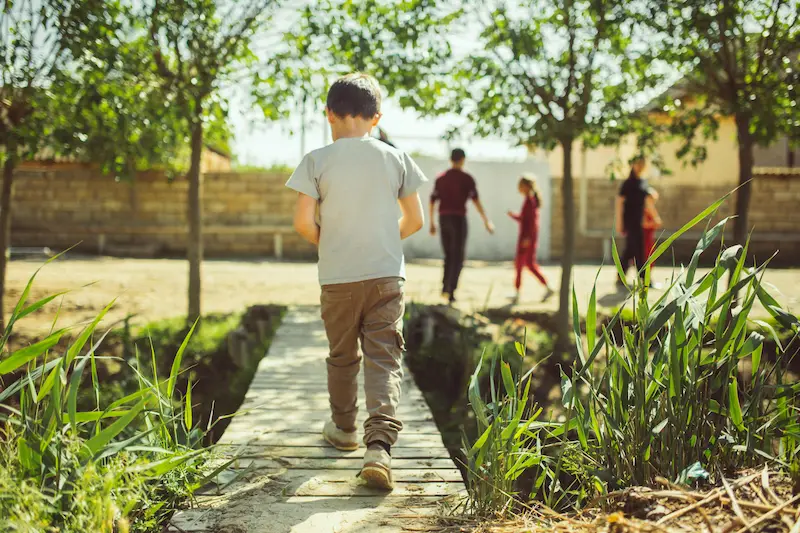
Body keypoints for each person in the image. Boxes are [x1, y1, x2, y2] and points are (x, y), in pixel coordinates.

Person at [286, 73, 427, 490]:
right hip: (386, 275)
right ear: (376, 117)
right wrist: (380, 239)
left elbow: (301, 222)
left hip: (337, 278)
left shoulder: (316, 160)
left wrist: (331, 242)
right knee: (384, 357)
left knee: (342, 354)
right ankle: (379, 447)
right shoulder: (395, 158)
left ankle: (344, 429)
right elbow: (416, 220)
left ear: (328, 113)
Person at [429, 148, 494, 304]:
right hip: (458, 220)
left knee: (448, 255)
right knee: (458, 257)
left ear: (451, 159)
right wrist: (486, 220)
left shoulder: (441, 178)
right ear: (463, 159)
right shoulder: (467, 179)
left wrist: (431, 222)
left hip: (443, 218)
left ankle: (445, 287)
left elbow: (432, 200)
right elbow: (476, 201)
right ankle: (451, 291)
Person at [507, 175, 555, 303]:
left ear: (526, 186)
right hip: (527, 237)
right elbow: (524, 219)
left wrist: (527, 238)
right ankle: (545, 287)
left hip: (527, 238)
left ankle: (544, 287)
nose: (519, 188)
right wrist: (514, 216)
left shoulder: (530, 200)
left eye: (520, 186)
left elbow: (532, 222)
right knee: (525, 264)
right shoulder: (529, 200)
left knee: (525, 264)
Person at [615, 156, 658, 288]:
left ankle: (620, 277)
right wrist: (619, 222)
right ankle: (644, 279)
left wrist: (653, 217)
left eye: (642, 164)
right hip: (630, 222)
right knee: (638, 251)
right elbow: (619, 203)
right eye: (638, 164)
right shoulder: (628, 183)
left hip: (640, 222)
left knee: (630, 251)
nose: (640, 166)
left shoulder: (643, 182)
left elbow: (649, 200)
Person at [642, 187, 663, 262]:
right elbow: (644, 224)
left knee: (650, 255)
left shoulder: (650, 208)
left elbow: (658, 222)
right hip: (643, 236)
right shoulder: (643, 209)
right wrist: (654, 223)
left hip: (649, 236)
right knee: (645, 256)